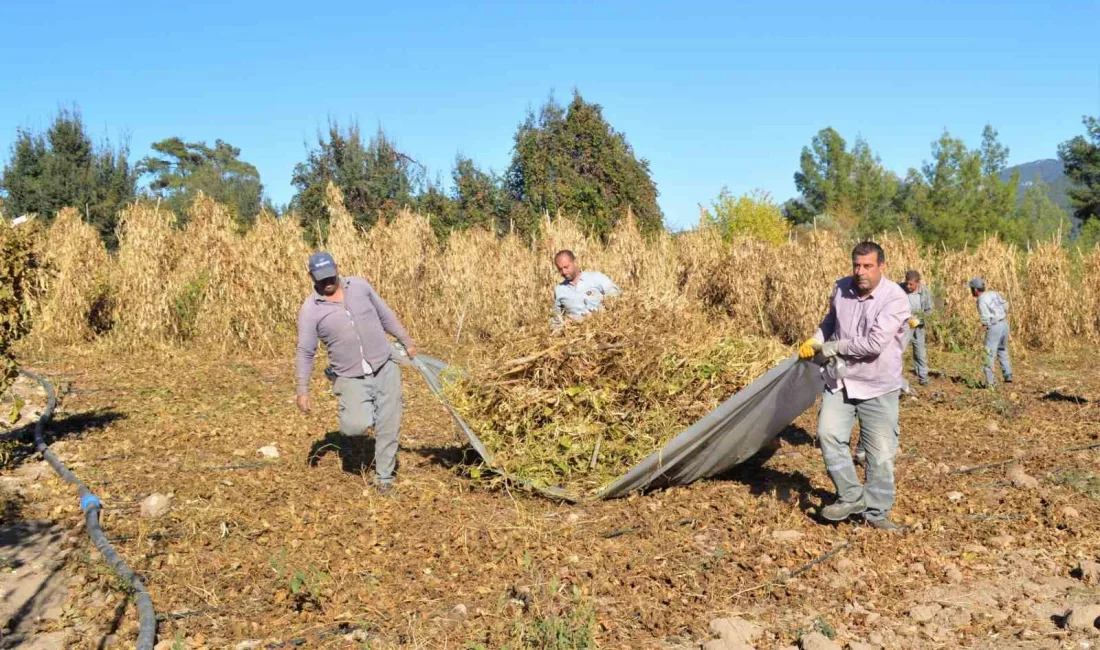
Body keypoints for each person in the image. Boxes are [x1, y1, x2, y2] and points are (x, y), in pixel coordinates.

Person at [798, 241, 911, 531]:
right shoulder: (841, 288)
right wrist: (816, 339)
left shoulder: (895, 299)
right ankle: (851, 496)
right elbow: (830, 322)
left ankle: (876, 513)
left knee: (880, 452)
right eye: (856, 265)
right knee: (827, 434)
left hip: (878, 384)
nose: (860, 272)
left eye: (868, 266)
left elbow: (874, 344)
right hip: (841, 380)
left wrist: (833, 346)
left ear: (882, 267)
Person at [294, 252, 417, 494]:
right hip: (349, 375)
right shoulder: (311, 309)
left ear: (337, 269)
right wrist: (302, 390)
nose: (327, 282)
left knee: (388, 425)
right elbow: (305, 351)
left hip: (384, 365)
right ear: (311, 277)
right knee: (354, 426)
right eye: (321, 279)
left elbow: (385, 315)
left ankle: (384, 479)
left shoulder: (360, 286)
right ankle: (361, 408)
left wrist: (406, 340)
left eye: (330, 276)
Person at [551, 250, 621, 328]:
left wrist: (601, 313)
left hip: (604, 328)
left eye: (566, 267)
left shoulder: (596, 278)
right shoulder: (559, 290)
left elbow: (616, 295)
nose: (564, 272)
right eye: (560, 269)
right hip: (577, 334)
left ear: (575, 262)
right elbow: (556, 320)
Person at [969, 278, 1013, 388]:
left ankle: (990, 382)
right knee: (1002, 349)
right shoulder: (994, 293)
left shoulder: (981, 299)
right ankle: (1008, 375)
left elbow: (985, 318)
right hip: (1004, 324)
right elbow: (1006, 305)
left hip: (994, 326)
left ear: (975, 290)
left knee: (988, 353)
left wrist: (985, 327)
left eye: (971, 289)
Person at [901, 270, 933, 386]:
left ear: (917, 283)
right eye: (907, 283)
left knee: (920, 353)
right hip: (903, 327)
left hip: (918, 327)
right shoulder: (899, 289)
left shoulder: (925, 293)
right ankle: (895, 378)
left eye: (911, 284)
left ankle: (923, 379)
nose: (908, 286)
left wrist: (918, 321)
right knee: (898, 351)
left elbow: (929, 311)